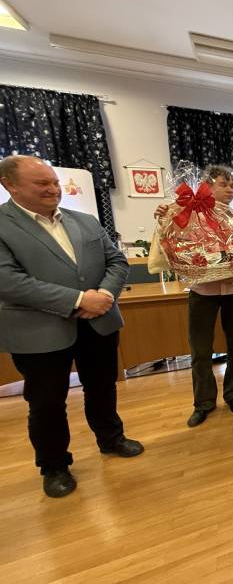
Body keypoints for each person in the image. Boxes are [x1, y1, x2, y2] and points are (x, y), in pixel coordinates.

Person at [0, 155, 143, 498]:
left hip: (99, 323)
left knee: (103, 387)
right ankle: (54, 465)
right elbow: (8, 281)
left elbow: (116, 261)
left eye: (55, 182)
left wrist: (104, 295)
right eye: (42, 183)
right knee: (47, 401)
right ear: (10, 185)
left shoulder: (85, 220)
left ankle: (111, 438)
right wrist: (79, 300)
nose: (53, 189)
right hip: (39, 331)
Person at [154, 165, 233, 427]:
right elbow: (173, 242)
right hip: (202, 292)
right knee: (200, 350)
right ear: (206, 186)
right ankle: (203, 403)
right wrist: (164, 217)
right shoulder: (188, 216)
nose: (230, 189)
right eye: (224, 184)